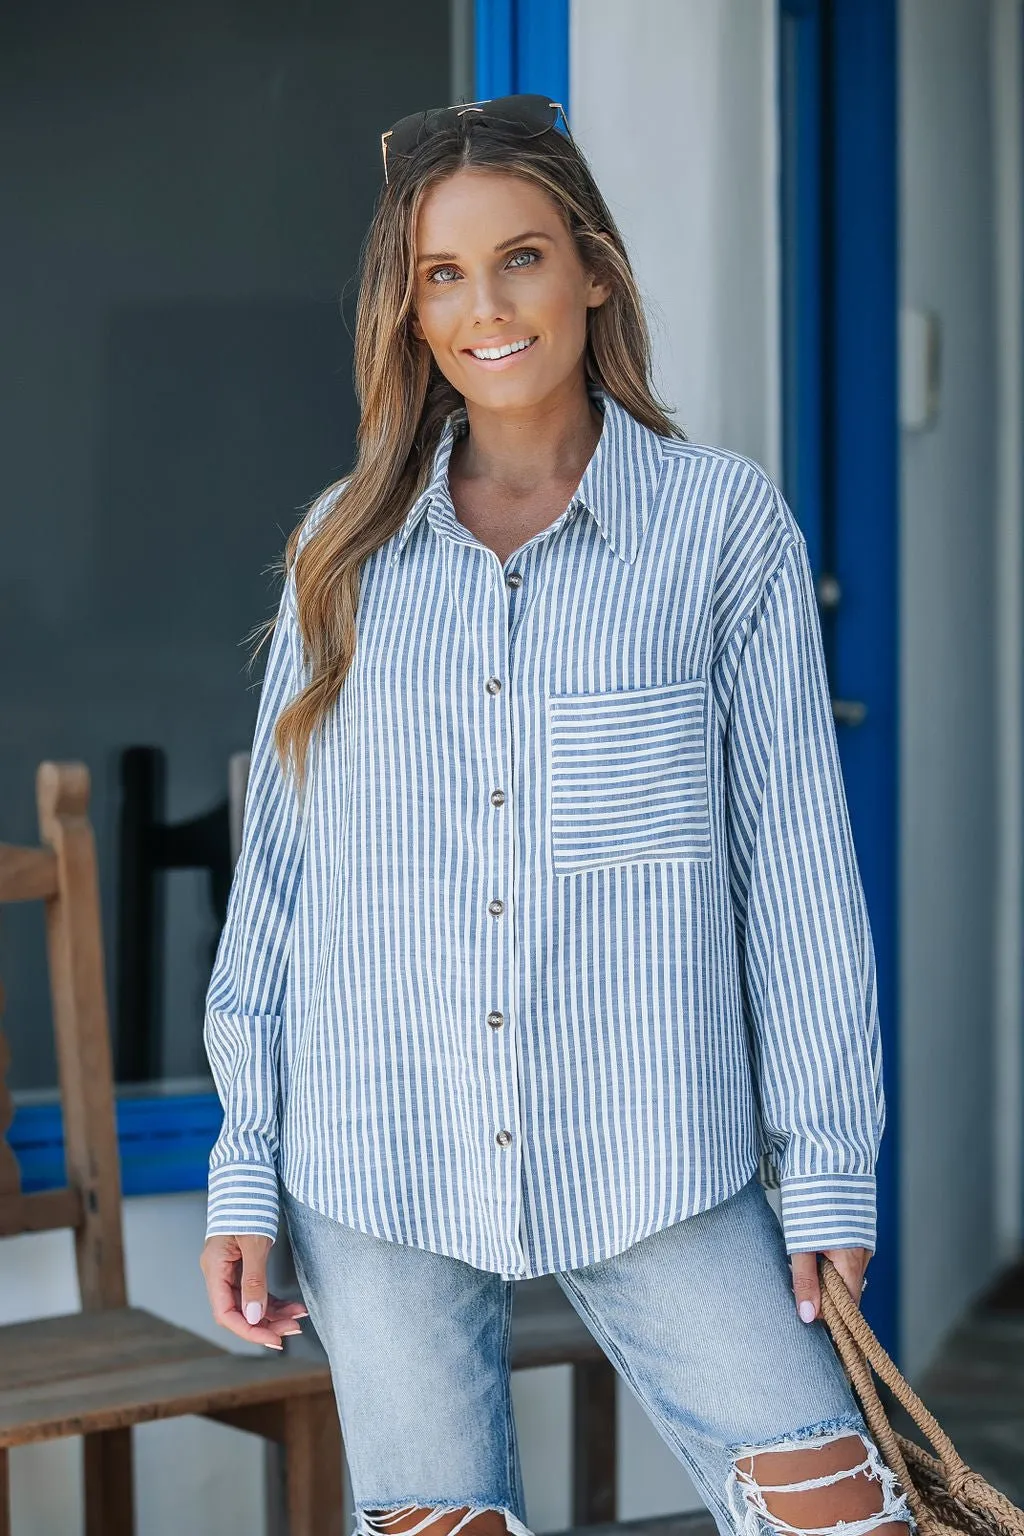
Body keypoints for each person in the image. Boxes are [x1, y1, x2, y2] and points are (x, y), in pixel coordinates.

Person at [199, 95, 913, 1536]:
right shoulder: (342, 552)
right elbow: (281, 883)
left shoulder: (722, 530)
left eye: (519, 258)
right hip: (376, 1150)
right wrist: (243, 1165)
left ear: (592, 268)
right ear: (408, 316)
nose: (485, 308)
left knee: (852, 1518)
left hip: (654, 1142)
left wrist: (829, 1165)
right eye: (441, 277)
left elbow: (796, 873)